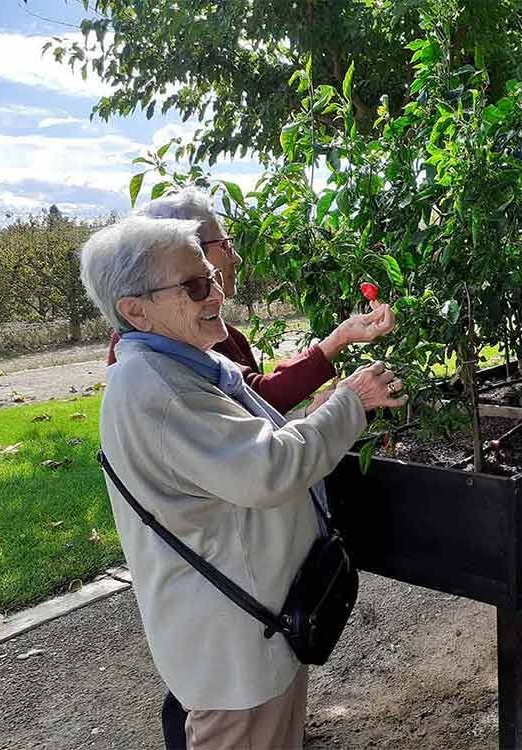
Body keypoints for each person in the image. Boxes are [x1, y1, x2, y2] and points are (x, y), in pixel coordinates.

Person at [80, 215, 407, 750]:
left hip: (254, 628)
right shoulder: (162, 390)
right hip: (235, 649)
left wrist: (316, 413)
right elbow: (269, 469)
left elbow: (244, 445)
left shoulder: (185, 364)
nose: (216, 294)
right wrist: (352, 402)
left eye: (210, 276)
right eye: (194, 286)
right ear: (135, 309)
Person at [107, 187, 394, 414]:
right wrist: (343, 400)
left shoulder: (215, 332)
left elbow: (253, 414)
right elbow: (256, 432)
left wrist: (317, 412)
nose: (236, 257)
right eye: (225, 245)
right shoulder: (152, 351)